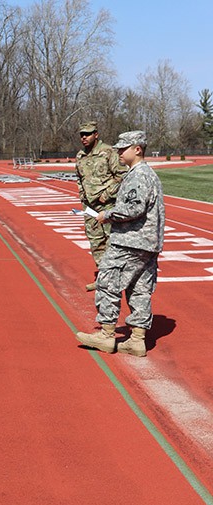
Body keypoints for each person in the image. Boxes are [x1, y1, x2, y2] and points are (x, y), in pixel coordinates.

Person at [76, 131, 165, 358]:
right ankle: (136, 339)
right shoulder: (144, 174)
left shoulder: (138, 175)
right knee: (139, 290)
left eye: (122, 149)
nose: (118, 152)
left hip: (129, 242)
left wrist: (107, 215)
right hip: (146, 244)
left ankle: (106, 335)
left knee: (107, 282)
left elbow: (133, 208)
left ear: (137, 149)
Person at [75, 121, 126, 291]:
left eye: (87, 134)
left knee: (112, 241)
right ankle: (104, 279)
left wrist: (107, 195)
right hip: (89, 208)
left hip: (108, 206)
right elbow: (79, 179)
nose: (84, 137)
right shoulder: (80, 156)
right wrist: (82, 195)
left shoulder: (108, 152)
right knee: (96, 243)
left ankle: (117, 278)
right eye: (82, 134)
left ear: (96, 134)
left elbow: (122, 176)